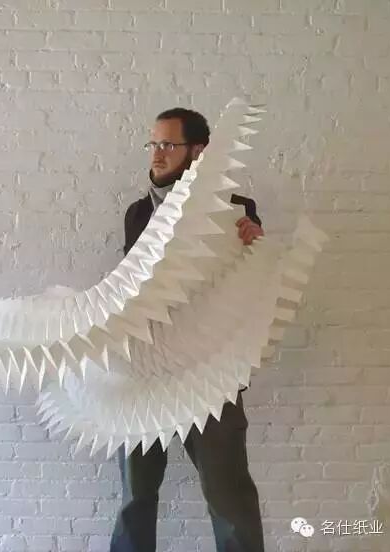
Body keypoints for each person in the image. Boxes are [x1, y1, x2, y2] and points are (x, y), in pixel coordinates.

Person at [109, 108, 265, 552]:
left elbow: (251, 285)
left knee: (228, 495)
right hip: (146, 373)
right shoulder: (139, 213)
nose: (156, 154)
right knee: (136, 496)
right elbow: (132, 291)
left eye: (168, 144)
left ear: (197, 152)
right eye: (153, 143)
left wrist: (257, 244)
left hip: (208, 376)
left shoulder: (235, 210)